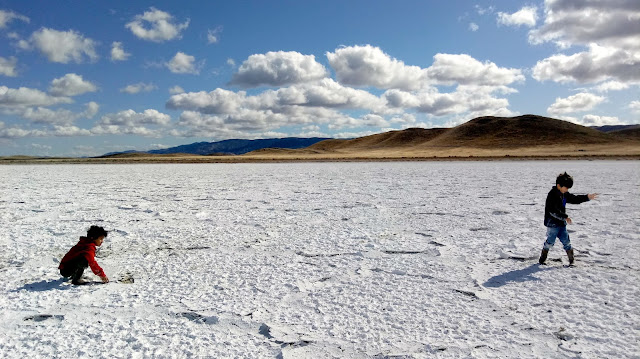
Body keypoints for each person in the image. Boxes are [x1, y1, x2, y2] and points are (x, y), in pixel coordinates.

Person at [538, 172, 598, 266]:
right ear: (559, 185)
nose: (567, 190)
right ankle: (543, 257)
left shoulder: (564, 193)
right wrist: (565, 217)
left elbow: (574, 199)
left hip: (561, 223)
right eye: (566, 188)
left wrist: (587, 197)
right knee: (550, 242)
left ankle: (571, 260)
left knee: (566, 241)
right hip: (552, 224)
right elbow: (552, 211)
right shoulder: (552, 195)